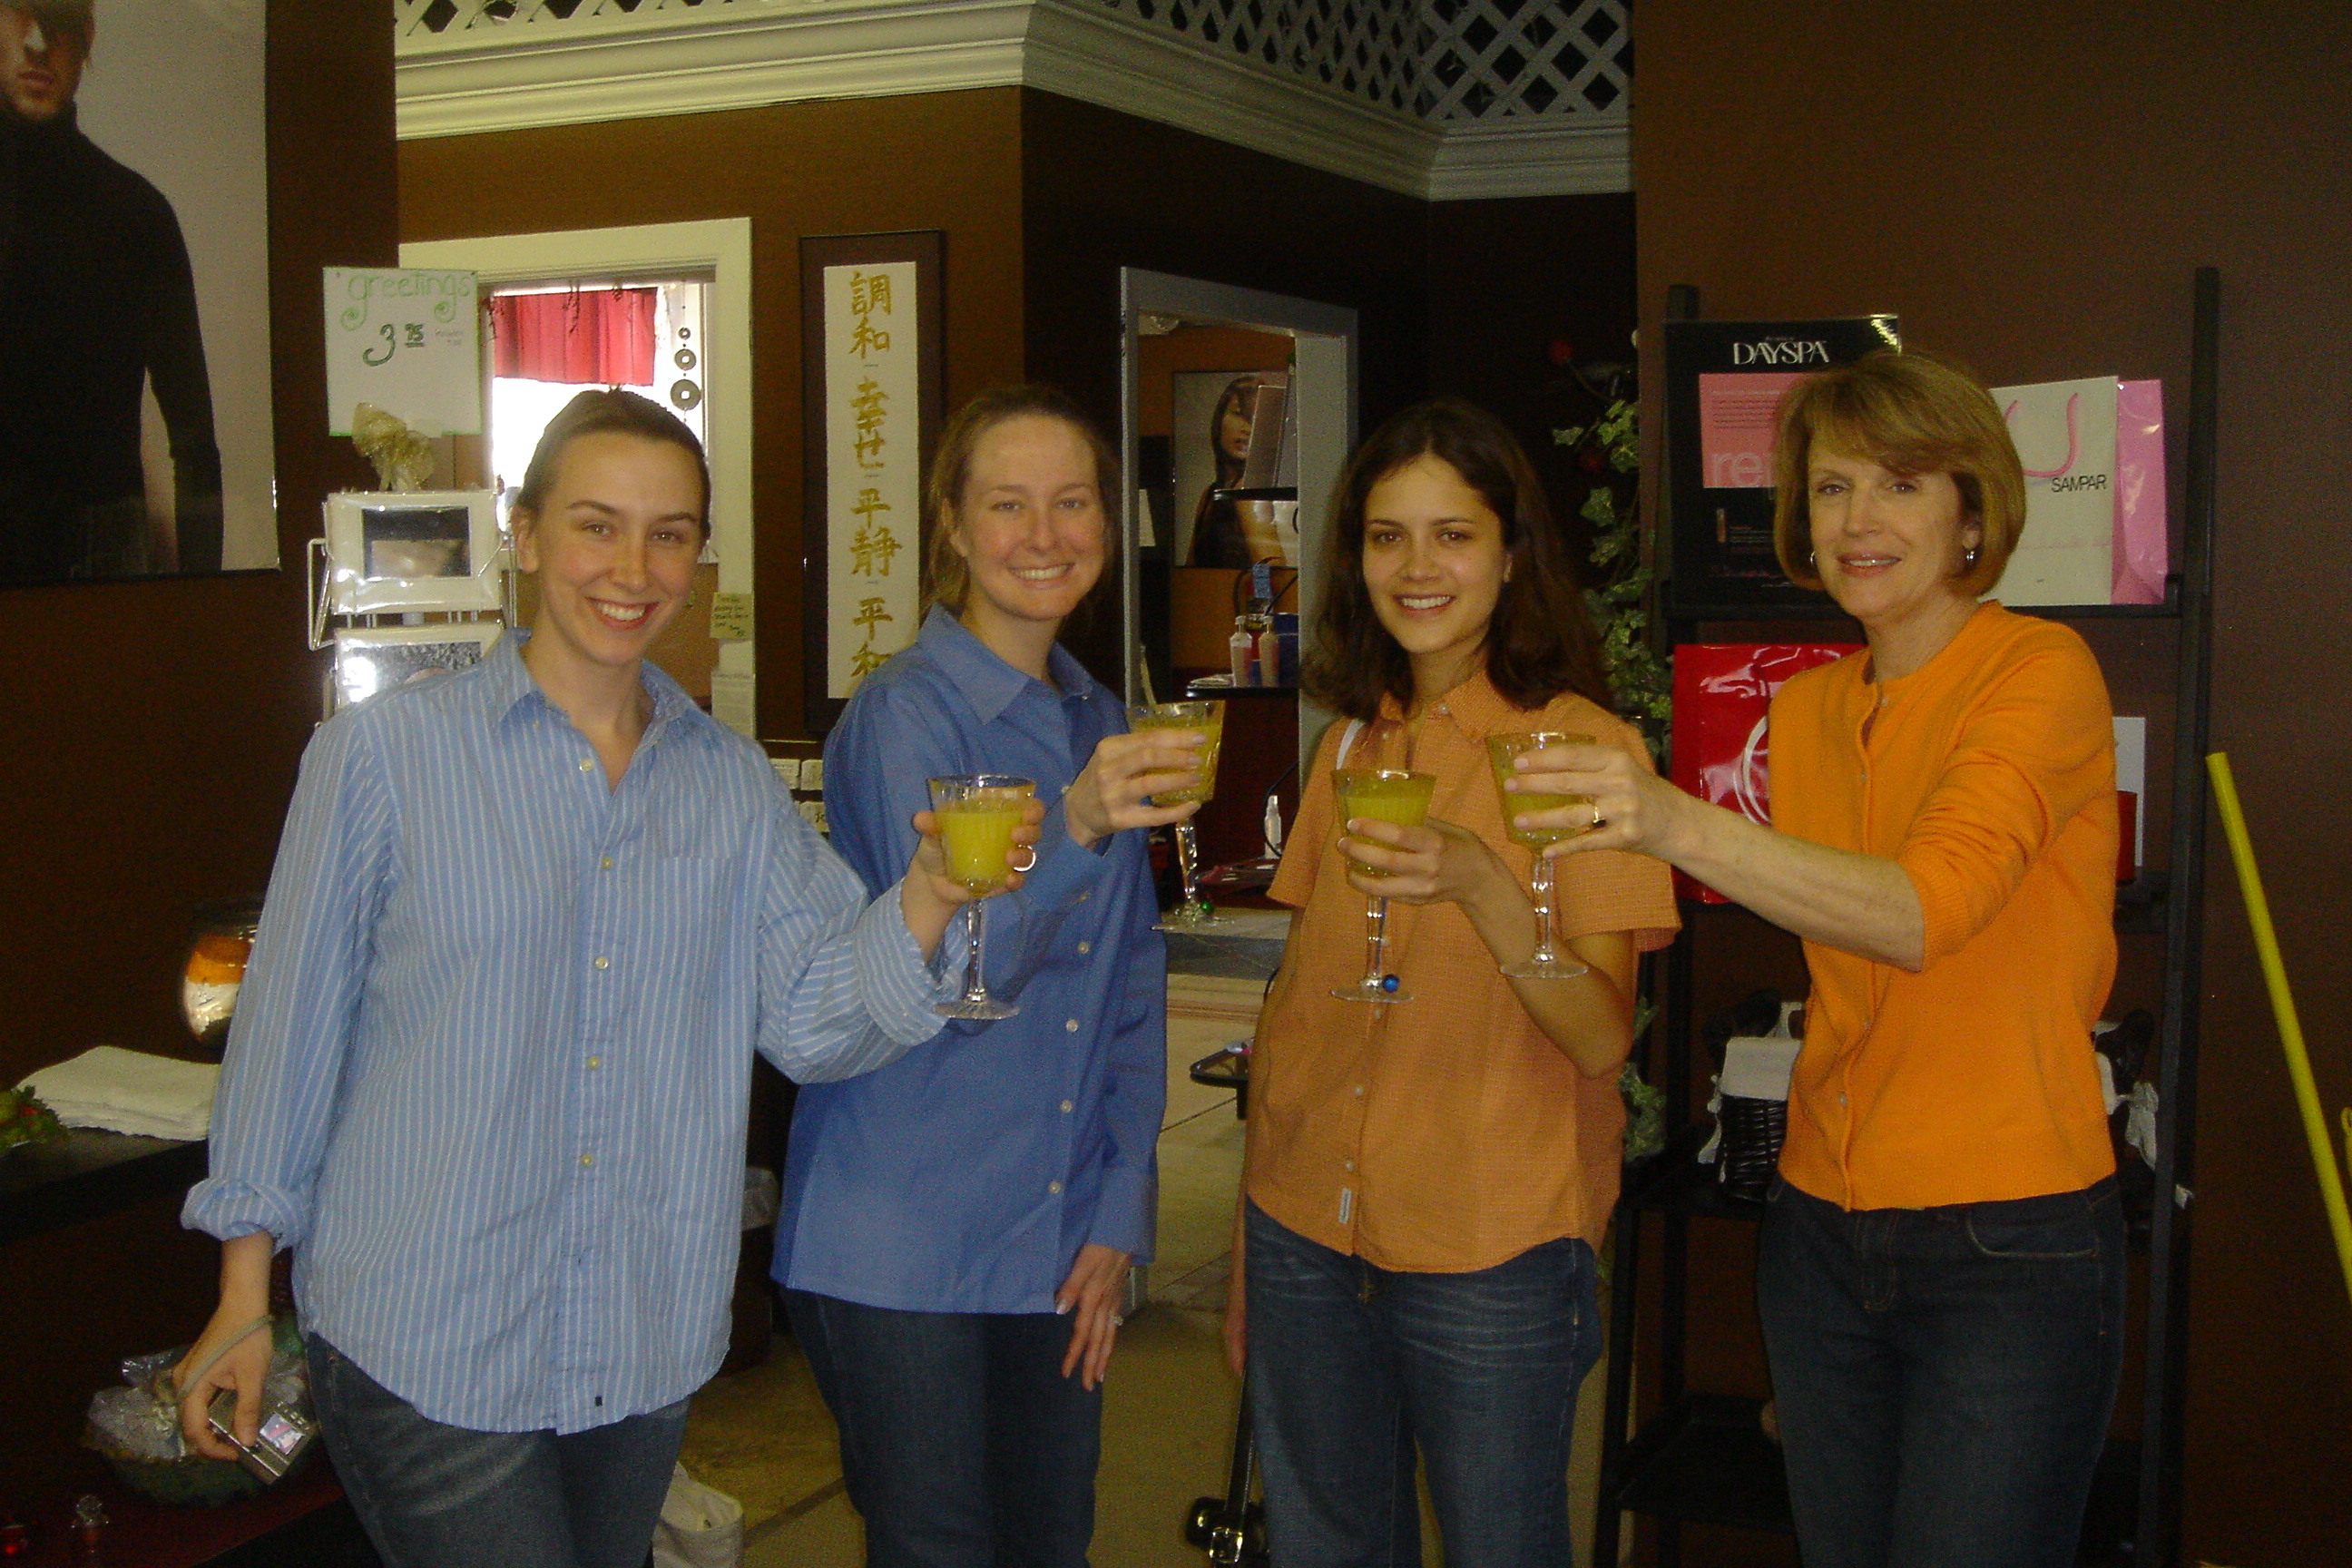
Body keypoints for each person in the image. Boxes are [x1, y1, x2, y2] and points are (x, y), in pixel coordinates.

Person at [172, 390, 1029, 1568]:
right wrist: (241, 1291)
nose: (633, 569)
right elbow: (288, 1031)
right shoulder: (383, 760)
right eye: (596, 525)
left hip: (637, 1336)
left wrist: (931, 889)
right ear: (524, 536)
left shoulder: (729, 788)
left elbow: (814, 1023)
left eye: (669, 534)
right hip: (426, 1334)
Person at [1522, 351, 2123, 1568]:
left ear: (1972, 512)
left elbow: (1922, 913)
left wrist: (1669, 819)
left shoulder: (2040, 671)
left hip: (2004, 1235)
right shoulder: (1804, 713)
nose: (1858, 521)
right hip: (1822, 1228)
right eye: (1833, 487)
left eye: (1901, 485)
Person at [1225, 398, 1678, 1567]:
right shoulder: (1350, 745)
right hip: (1303, 1229)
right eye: (1388, 537)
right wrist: (1250, 1250)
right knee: (1325, 1546)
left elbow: (1601, 1037)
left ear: (1512, 553)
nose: (1416, 567)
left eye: (1453, 535)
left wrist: (1486, 887)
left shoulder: (1585, 753)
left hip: (1490, 1248)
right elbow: (1296, 1002)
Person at [782, 385, 1200, 1567]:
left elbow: (1130, 991)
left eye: (1073, 503)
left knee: (1052, 1537)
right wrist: (1074, 825)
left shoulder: (1099, 715)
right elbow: (945, 991)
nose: (1045, 534)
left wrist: (1119, 1212)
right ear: (954, 527)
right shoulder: (902, 717)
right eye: (1008, 505)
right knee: (939, 1546)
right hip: (899, 1234)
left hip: (1055, 1228)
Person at [0, 0, 223, 581]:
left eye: (58, 19)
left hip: (104, 565)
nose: (37, 41)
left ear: (86, 35)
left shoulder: (136, 214)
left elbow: (194, 440)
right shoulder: (135, 210)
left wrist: (203, 599)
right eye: (20, 10)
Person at [1187, 371, 1281, 568]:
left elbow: (1268, 566)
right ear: (1219, 419)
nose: (1246, 428)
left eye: (1255, 418)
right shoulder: (1211, 493)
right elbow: (1190, 569)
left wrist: (1259, 588)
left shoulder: (1247, 490)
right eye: (1238, 414)